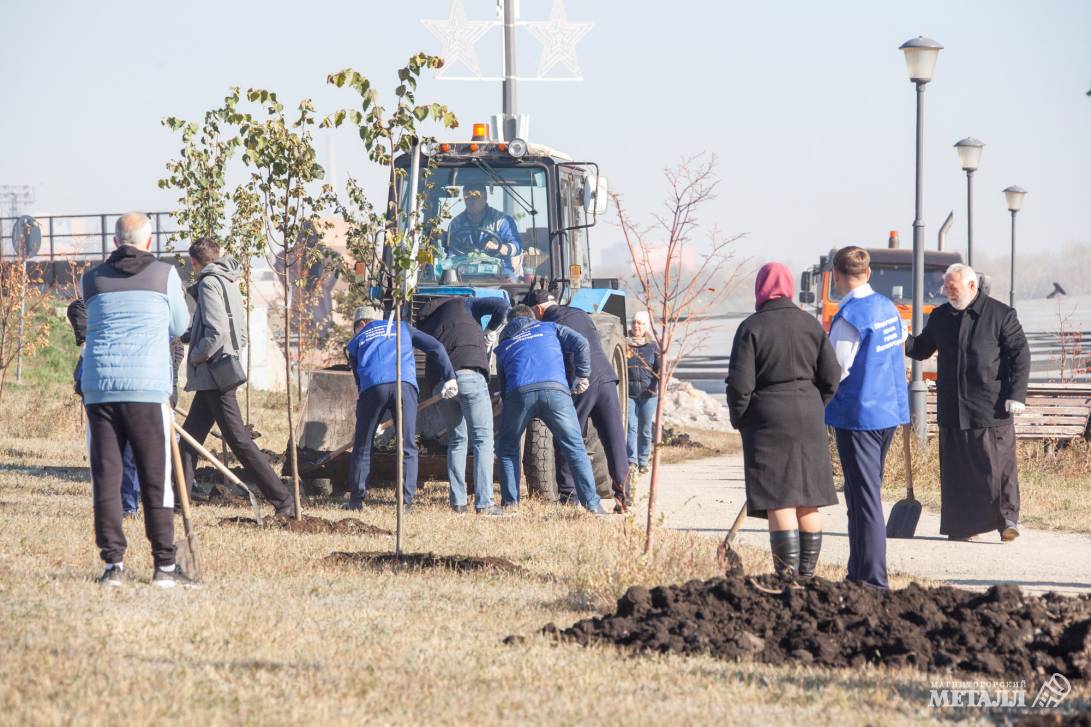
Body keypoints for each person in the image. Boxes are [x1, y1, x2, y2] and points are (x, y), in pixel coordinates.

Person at [80, 212, 191, 587]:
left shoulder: (92, 278)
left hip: (100, 390)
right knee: (156, 479)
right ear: (148, 242)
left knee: (107, 478)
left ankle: (113, 566)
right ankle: (165, 567)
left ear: (114, 243)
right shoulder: (165, 274)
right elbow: (180, 326)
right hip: (147, 388)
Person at [725, 262, 841, 578]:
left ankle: (787, 575)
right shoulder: (811, 325)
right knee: (808, 497)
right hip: (809, 414)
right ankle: (806, 575)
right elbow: (832, 375)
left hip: (768, 419)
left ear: (761, 288)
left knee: (780, 498)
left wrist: (741, 418)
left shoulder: (752, 328)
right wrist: (817, 403)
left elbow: (740, 385)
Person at [906, 263, 1030, 542]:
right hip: (953, 409)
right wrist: (902, 338)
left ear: (972, 287)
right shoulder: (940, 316)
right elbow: (922, 349)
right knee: (957, 473)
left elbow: (1020, 355)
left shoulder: (1000, 314)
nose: (948, 292)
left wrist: (1017, 395)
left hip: (990, 407)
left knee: (996, 468)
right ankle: (962, 526)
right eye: (946, 287)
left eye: (953, 287)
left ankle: (1007, 521)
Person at [178, 238, 296, 517]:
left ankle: (283, 500)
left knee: (240, 442)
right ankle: (176, 501)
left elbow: (217, 331)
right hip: (221, 370)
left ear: (194, 262)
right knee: (189, 439)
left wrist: (196, 355)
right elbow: (238, 333)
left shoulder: (208, 283)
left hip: (212, 374)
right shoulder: (229, 282)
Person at [824, 247, 910, 589]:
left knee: (865, 499)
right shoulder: (887, 308)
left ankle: (873, 578)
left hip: (859, 415)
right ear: (869, 273)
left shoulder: (851, 317)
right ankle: (857, 571)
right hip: (888, 412)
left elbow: (836, 369)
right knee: (860, 495)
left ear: (836, 275)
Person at [68, 299, 184, 519]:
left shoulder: (166, 327)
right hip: (108, 384)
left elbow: (174, 356)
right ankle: (123, 505)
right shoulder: (113, 297)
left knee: (141, 452)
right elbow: (77, 307)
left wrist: (169, 394)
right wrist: (86, 343)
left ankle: (137, 505)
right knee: (115, 451)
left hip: (147, 389)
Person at [494, 304, 608, 515]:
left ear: (510, 323)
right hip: (556, 391)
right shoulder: (550, 328)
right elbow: (581, 343)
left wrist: (505, 397)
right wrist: (582, 375)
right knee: (574, 447)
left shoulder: (505, 343)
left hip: (519, 392)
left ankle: (510, 505)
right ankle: (593, 505)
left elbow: (503, 378)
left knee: (508, 447)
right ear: (532, 318)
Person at [344, 305, 458, 511]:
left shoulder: (356, 340)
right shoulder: (402, 327)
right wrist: (450, 377)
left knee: (362, 444)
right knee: (407, 445)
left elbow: (359, 380)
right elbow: (437, 348)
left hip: (372, 388)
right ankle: (405, 502)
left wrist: (369, 418)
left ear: (361, 324)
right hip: (404, 386)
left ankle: (356, 500)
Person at [526, 289, 630, 507]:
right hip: (607, 379)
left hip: (581, 383)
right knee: (614, 438)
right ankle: (623, 495)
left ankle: (569, 496)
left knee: (566, 437)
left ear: (537, 309)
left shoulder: (547, 326)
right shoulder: (580, 313)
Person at [415, 294, 510, 514]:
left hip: (443, 385)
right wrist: (492, 329)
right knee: (483, 441)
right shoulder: (465, 304)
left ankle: (458, 503)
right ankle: (485, 504)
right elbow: (503, 305)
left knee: (457, 441)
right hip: (470, 375)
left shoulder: (429, 324)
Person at [445, 183, 522, 276]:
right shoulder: (456, 223)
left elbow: (516, 246)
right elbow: (451, 250)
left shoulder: (502, 220)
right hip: (465, 274)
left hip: (499, 274)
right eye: (467, 197)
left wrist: (500, 247)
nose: (470, 202)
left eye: (475, 197)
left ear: (485, 198)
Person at [626, 310, 660, 475]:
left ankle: (643, 460)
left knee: (645, 430)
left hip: (648, 394)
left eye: (639, 323)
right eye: (633, 322)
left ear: (645, 326)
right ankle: (631, 461)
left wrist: (653, 386)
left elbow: (659, 370)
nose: (636, 326)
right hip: (629, 394)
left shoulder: (653, 346)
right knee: (630, 427)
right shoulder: (624, 344)